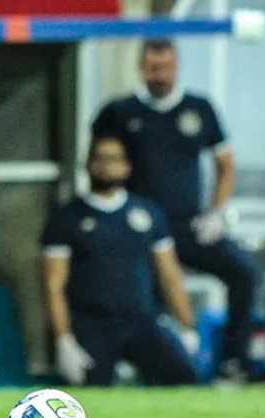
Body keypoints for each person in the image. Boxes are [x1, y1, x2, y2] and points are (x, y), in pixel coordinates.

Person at [92, 39, 256, 383]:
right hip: (140, 231)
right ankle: (146, 369)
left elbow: (225, 165)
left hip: (189, 226)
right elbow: (99, 161)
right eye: (152, 68)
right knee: (143, 302)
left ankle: (234, 361)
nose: (159, 75)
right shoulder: (120, 113)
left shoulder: (199, 109)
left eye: (165, 67)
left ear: (177, 66)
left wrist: (215, 213)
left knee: (244, 272)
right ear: (141, 67)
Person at [41, 131, 199, 387]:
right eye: (100, 159)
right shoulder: (67, 219)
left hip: (142, 320)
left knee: (184, 378)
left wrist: (187, 325)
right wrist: (63, 340)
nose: (107, 166)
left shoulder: (148, 213)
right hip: (92, 326)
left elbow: (169, 273)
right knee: (88, 391)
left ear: (127, 166)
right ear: (89, 165)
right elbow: (53, 285)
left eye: (114, 159)